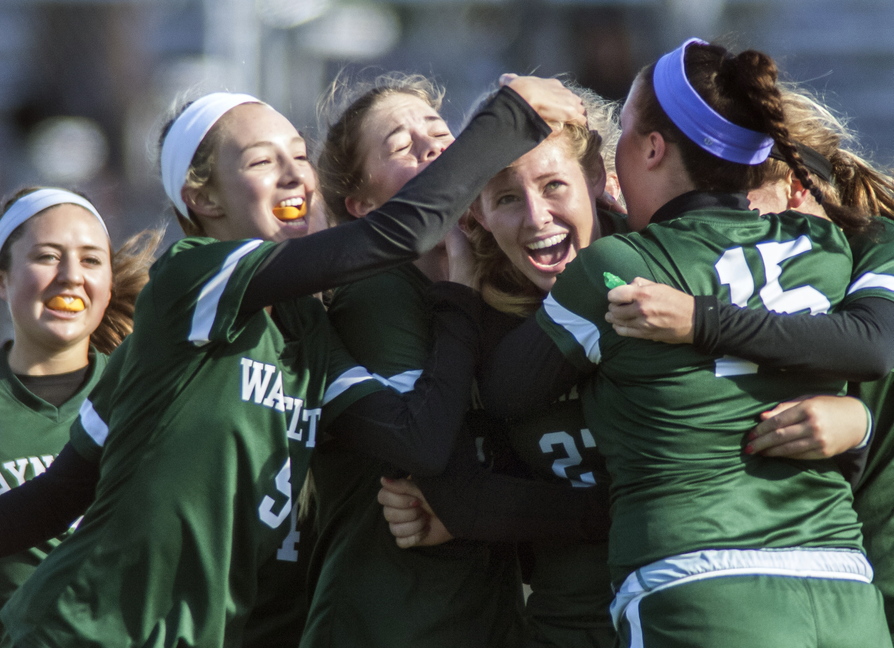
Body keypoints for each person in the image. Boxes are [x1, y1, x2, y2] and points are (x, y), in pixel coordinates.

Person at [0, 80, 584, 648]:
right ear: (202, 199)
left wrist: (457, 301)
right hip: (83, 629)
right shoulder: (191, 277)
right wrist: (512, 114)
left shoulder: (308, 333)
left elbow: (418, 441)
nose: (293, 174)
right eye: (261, 162)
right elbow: (390, 236)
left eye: (299, 156)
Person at [474, 38, 891, 647]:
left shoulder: (618, 268)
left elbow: (507, 390)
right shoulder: (826, 246)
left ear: (650, 149)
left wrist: (460, 278)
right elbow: (869, 342)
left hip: (702, 586)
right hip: (843, 590)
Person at [599, 81, 894, 636]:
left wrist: (702, 321)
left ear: (794, 190)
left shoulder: (876, 248)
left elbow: (871, 347)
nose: (729, 228)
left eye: (741, 199)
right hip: (838, 593)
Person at [0, 187, 159, 625]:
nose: (71, 276)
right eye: (47, 256)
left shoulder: (149, 393)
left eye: (91, 260)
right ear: (3, 278)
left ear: (109, 283)